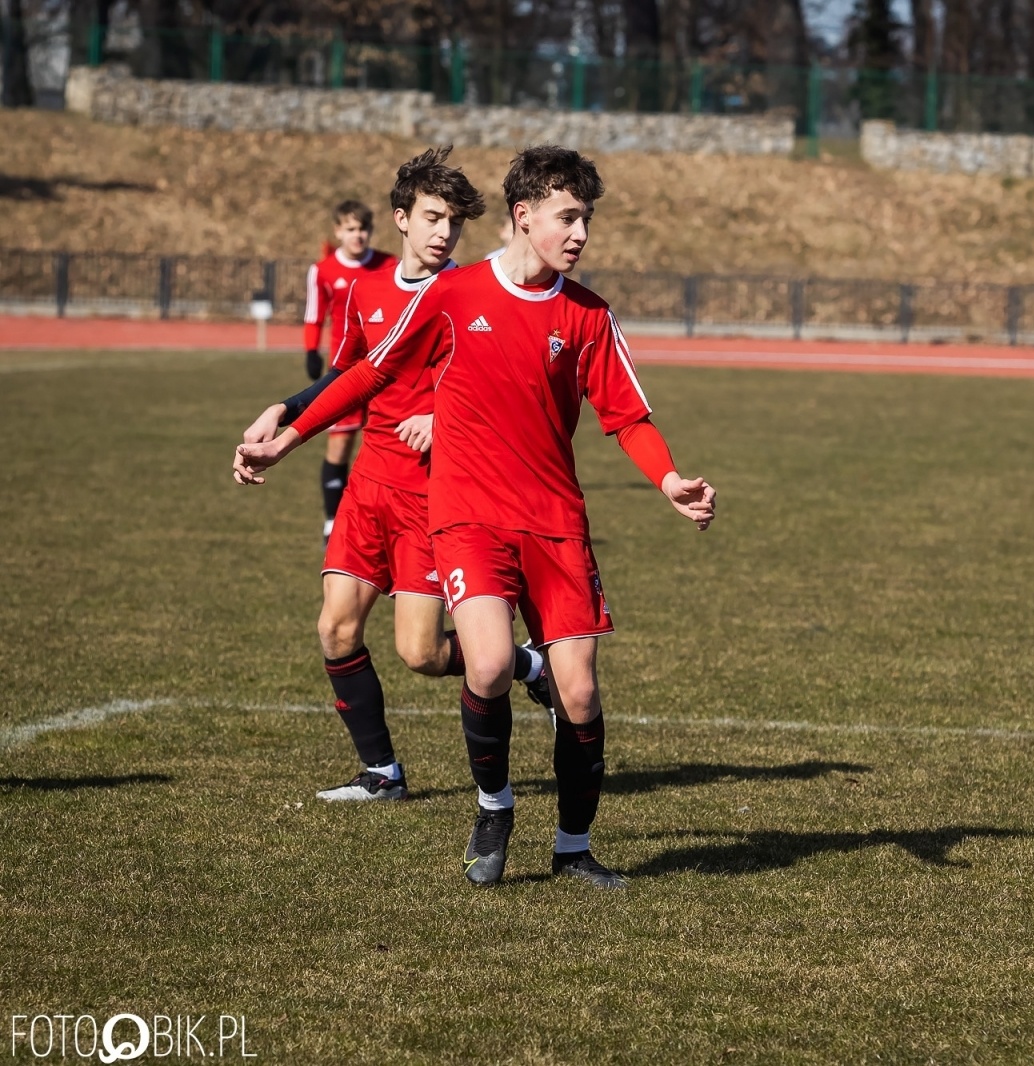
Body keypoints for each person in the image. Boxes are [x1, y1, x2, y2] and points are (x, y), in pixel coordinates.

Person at [235, 145, 717, 889]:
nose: (580, 233)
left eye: (586, 218)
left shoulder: (587, 315)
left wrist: (670, 479)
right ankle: (494, 807)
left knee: (581, 692)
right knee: (486, 663)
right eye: (567, 217)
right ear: (524, 217)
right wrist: (291, 435)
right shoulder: (455, 295)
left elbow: (627, 415)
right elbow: (371, 371)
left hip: (556, 520)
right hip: (470, 517)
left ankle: (574, 849)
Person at [242, 148, 551, 803]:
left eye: (455, 223)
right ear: (401, 219)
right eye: (434, 218)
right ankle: (382, 772)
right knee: (335, 628)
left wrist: (443, 416)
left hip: (437, 497)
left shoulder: (471, 296)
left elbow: (504, 388)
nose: (445, 233)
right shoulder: (362, 290)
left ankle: (526, 663)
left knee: (421, 653)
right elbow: (349, 375)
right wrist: (286, 410)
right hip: (370, 485)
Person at [304, 201, 396, 540]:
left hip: (386, 370)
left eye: (363, 229)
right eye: (351, 229)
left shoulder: (390, 265)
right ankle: (332, 519)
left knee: (384, 446)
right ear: (338, 231)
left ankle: (382, 518)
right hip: (344, 371)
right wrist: (311, 351)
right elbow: (314, 316)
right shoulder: (323, 271)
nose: (357, 236)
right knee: (339, 445)